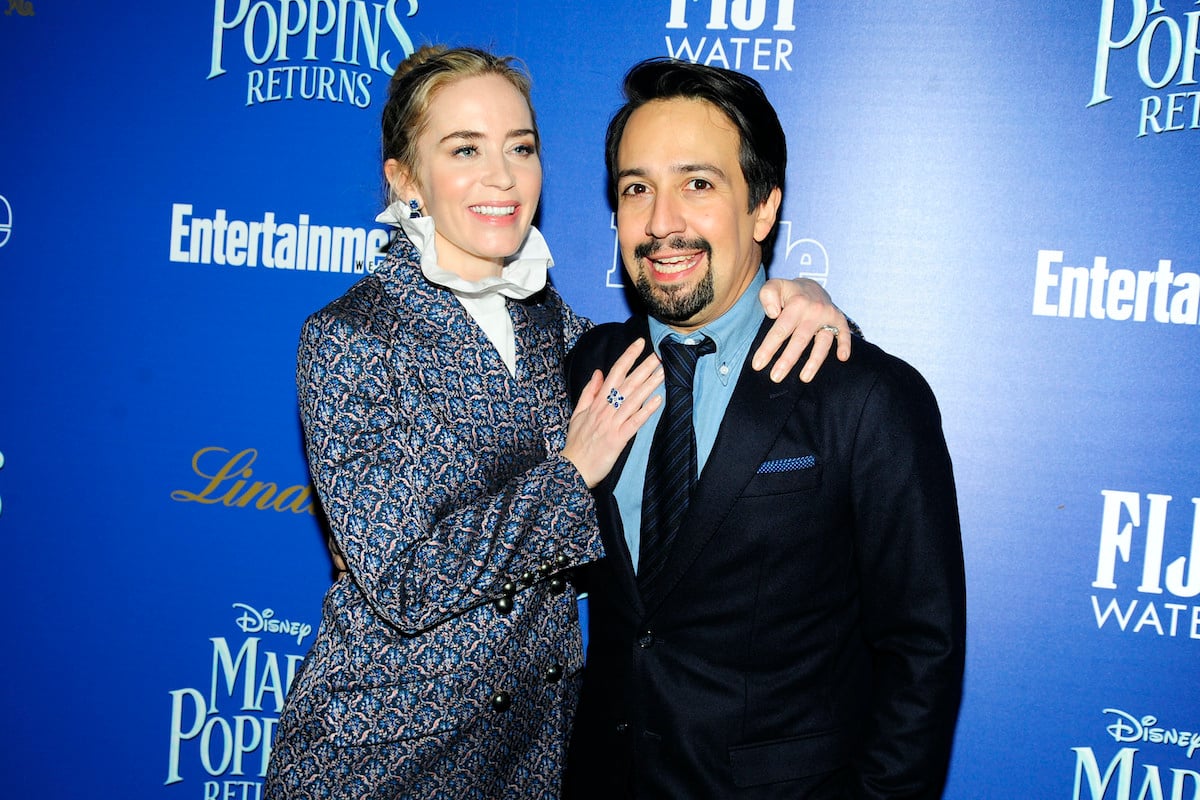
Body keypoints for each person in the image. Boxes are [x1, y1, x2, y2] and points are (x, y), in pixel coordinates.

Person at [264, 47, 855, 799]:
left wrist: (802, 299)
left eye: (522, 147)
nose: (503, 176)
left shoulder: (562, 332)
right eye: (465, 149)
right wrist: (570, 474)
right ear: (405, 179)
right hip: (386, 755)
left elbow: (707, 330)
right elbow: (403, 584)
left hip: (531, 761)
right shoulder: (354, 338)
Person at [563, 58, 966, 799]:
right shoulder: (585, 370)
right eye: (636, 189)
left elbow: (922, 652)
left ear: (763, 208)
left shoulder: (866, 397)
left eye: (698, 184)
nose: (661, 223)